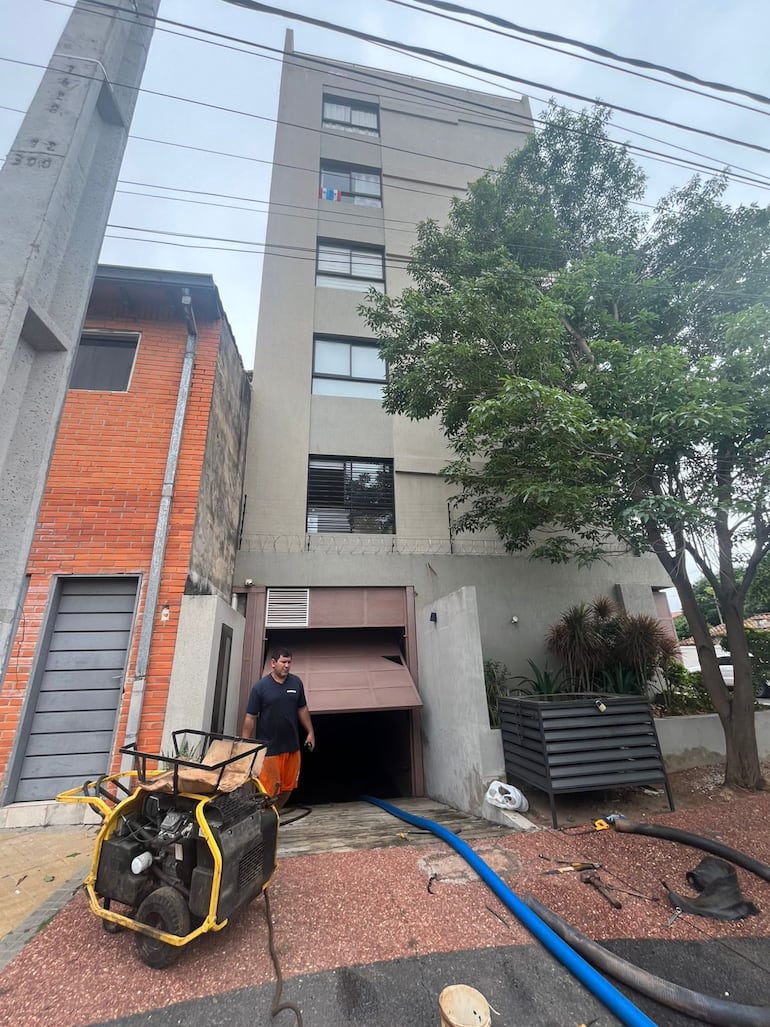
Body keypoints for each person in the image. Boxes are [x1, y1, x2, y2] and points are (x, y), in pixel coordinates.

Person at [241, 647, 315, 811]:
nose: (287, 666)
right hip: (270, 750)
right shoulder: (260, 687)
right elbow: (250, 717)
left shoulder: (296, 683)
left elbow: (302, 708)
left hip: (292, 747)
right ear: (273, 663)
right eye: (283, 662)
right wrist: (245, 745)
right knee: (270, 790)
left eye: (289, 662)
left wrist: (310, 732)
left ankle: (275, 814)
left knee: (288, 787)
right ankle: (267, 817)